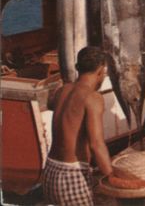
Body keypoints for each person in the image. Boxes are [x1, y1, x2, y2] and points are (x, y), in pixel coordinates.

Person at [43, 46, 113, 206]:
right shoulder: (93, 97)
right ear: (101, 71)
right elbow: (96, 144)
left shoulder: (62, 91)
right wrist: (111, 176)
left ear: (77, 67)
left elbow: (54, 105)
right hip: (72, 174)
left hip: (50, 170)